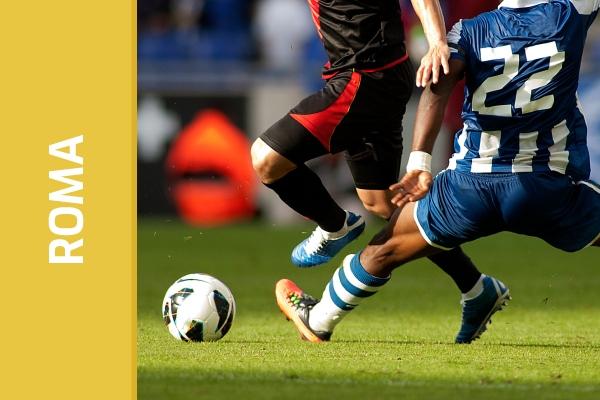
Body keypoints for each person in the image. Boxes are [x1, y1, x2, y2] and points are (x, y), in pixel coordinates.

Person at [276, 0, 600, 344]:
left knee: (382, 251)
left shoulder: (468, 31)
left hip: (470, 188)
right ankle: (477, 292)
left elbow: (436, 89)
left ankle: (320, 319)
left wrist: (420, 162)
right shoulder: (569, 14)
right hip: (545, 188)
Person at [251, 0, 485, 300]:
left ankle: (336, 225)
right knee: (383, 203)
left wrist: (437, 41)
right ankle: (476, 286)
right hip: (377, 75)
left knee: (266, 158)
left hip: (363, 79)